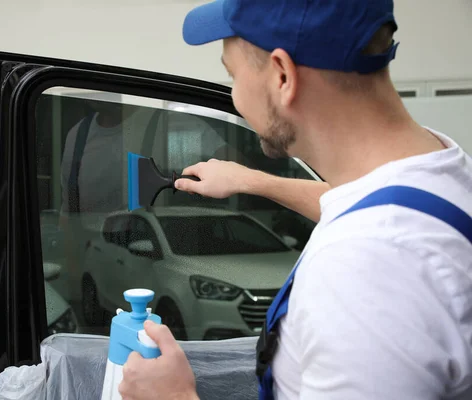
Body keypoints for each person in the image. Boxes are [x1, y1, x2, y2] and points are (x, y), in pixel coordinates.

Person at [118, 1, 472, 399]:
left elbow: (377, 239)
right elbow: (361, 204)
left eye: (232, 75)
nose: (235, 95)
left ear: (283, 75)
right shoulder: (437, 166)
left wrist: (174, 396)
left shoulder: (365, 271)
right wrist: (252, 181)